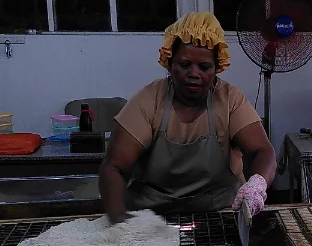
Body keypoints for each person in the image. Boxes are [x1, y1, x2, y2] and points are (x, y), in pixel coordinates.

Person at [100, 12, 276, 222]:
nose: (194, 73)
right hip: (152, 218)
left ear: (217, 67)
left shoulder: (230, 100)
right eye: (184, 64)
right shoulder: (148, 101)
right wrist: (119, 220)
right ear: (169, 62)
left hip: (220, 213)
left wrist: (257, 184)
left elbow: (262, 151)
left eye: (204, 67)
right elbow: (115, 167)